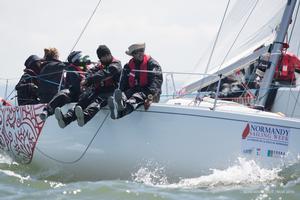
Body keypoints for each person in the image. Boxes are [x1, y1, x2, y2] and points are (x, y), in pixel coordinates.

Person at [54, 45, 122, 128]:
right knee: (84, 99)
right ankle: (66, 119)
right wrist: (85, 81)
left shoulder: (116, 64)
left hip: (111, 91)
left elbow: (104, 74)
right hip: (99, 89)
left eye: (105, 56)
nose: (104, 58)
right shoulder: (100, 65)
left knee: (98, 101)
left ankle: (85, 117)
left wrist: (88, 80)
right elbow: (91, 72)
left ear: (109, 54)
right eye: (102, 57)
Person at [108, 43, 163, 119]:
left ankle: (119, 113)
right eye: (137, 52)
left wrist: (150, 97)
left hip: (150, 92)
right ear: (133, 55)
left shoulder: (153, 64)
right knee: (124, 95)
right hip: (135, 89)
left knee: (136, 97)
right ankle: (118, 105)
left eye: (142, 50)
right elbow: (122, 84)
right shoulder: (128, 66)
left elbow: (156, 82)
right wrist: (121, 94)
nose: (140, 53)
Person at [39, 51, 90, 121]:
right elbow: (77, 87)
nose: (84, 60)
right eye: (81, 58)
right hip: (75, 94)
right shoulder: (72, 71)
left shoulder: (89, 70)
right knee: (63, 94)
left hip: (88, 93)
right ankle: (47, 111)